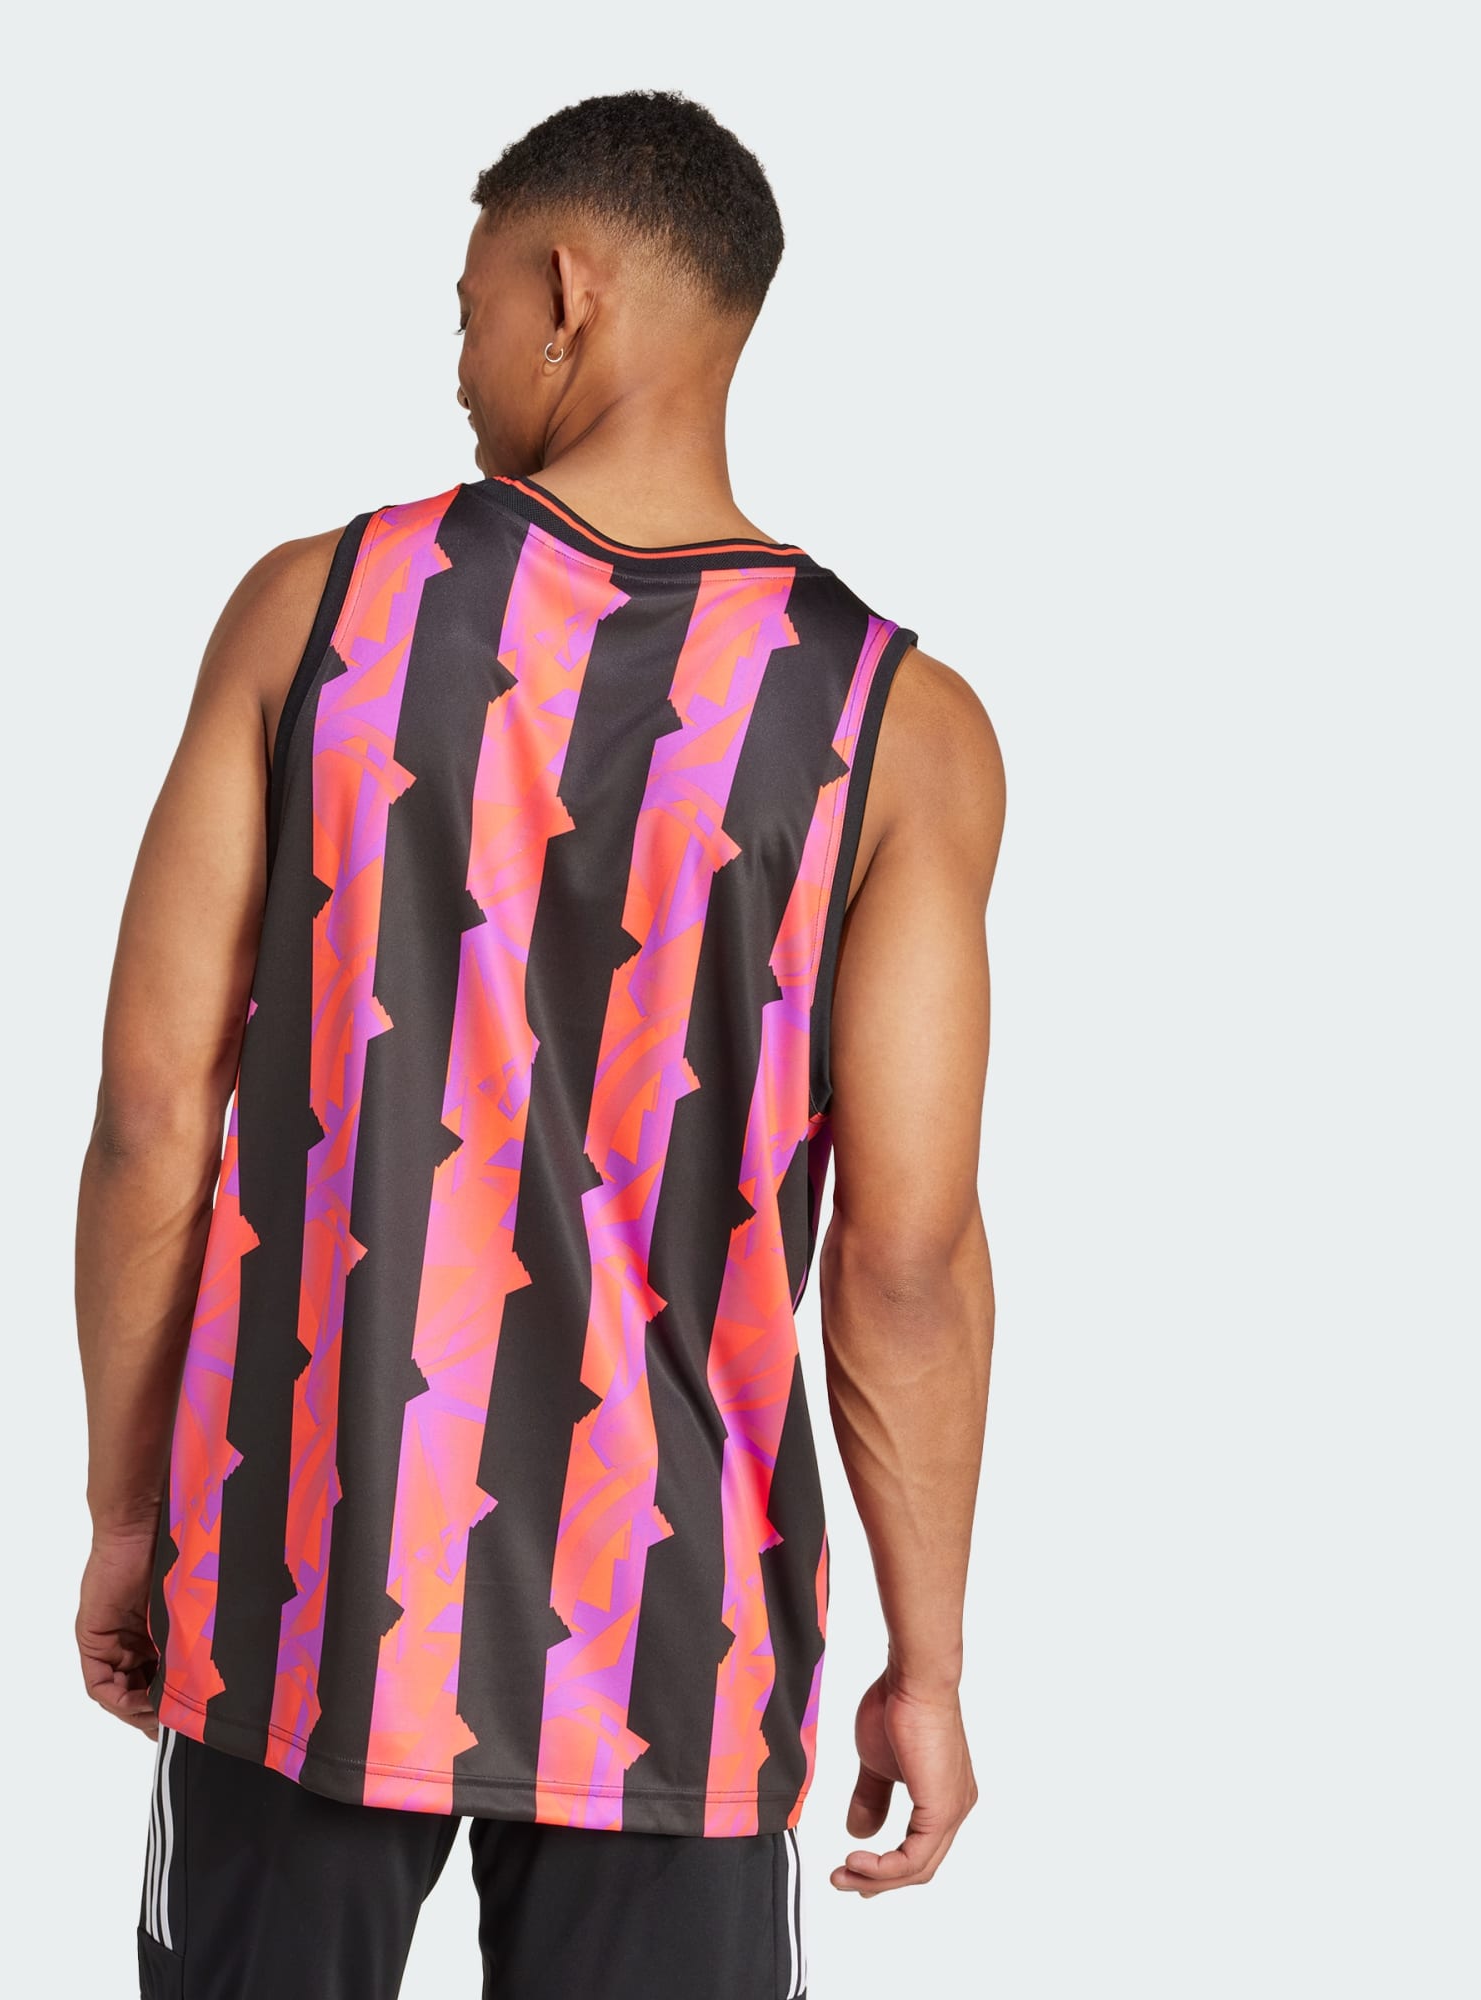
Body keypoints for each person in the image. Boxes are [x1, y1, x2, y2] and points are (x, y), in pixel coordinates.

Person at [75, 88, 1003, 2000]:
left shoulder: (316, 616)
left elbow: (155, 1114)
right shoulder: (897, 730)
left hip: (300, 1592)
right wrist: (926, 1660)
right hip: (678, 1654)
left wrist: (131, 1510)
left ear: (566, 291)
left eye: (473, 304)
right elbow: (904, 1260)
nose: (463, 361)